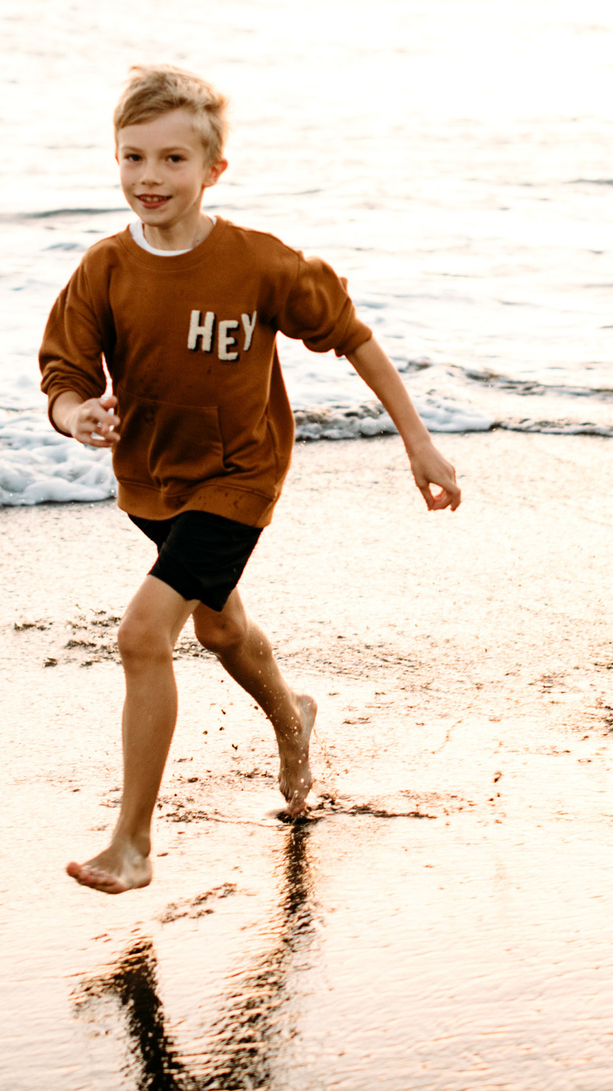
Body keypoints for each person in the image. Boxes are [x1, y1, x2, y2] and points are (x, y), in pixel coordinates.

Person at [41, 64, 462, 894]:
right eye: (133, 158)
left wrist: (418, 441)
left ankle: (131, 843)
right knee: (221, 631)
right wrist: (78, 413)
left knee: (142, 635)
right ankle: (293, 715)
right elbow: (63, 374)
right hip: (154, 483)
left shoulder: (259, 265)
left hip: (241, 477)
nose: (149, 178)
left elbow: (353, 337)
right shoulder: (105, 269)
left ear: (212, 170)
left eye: (171, 160)